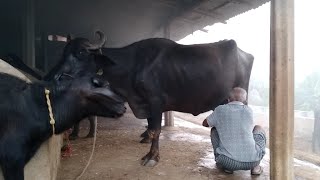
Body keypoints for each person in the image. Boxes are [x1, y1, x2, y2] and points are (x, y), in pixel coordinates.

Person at [202, 87, 266, 175]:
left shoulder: (220, 110)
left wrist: (219, 122)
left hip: (227, 161)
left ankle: (228, 168)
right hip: (253, 160)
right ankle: (256, 168)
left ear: (228, 99)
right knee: (258, 128)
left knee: (214, 130)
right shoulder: (249, 111)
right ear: (244, 100)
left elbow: (205, 123)